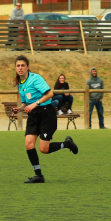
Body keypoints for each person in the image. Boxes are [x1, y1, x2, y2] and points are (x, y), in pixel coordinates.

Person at [12, 55, 78, 183]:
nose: (20, 68)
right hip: (33, 116)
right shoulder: (20, 84)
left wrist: (35, 104)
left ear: (28, 67)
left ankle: (67, 144)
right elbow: (25, 102)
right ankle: (38, 175)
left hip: (46, 114)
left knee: (44, 149)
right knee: (28, 144)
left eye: (22, 65)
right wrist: (19, 108)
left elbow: (50, 94)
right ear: (15, 68)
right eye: (18, 66)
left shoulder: (35, 78)